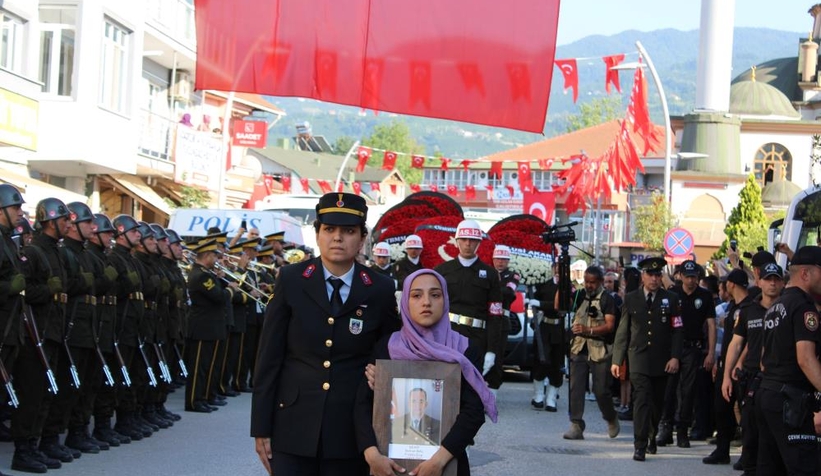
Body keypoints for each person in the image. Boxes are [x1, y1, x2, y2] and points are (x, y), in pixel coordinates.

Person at [251, 192, 400, 475]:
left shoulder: (380, 288)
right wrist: (261, 426)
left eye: (349, 231)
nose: (337, 238)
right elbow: (269, 357)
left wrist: (380, 372)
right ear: (317, 234)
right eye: (329, 229)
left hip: (351, 431)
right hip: (292, 424)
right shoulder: (292, 279)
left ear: (362, 238)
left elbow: (389, 351)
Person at [355, 269, 496, 476]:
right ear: (405, 302)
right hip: (388, 467)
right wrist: (372, 455)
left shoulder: (465, 349)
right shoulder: (387, 347)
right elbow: (362, 405)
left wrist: (439, 461)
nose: (426, 302)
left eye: (435, 295)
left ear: (445, 300)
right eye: (416, 295)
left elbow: (473, 411)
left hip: (447, 465)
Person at [709, 263, 783, 470]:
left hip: (778, 377)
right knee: (750, 427)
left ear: (782, 283)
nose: (772, 283)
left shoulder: (788, 309)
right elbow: (737, 344)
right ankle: (750, 468)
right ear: (758, 282)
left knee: (773, 431)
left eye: (776, 279)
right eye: (768, 279)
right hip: (751, 377)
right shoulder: (749, 311)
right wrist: (726, 376)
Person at [756, 246, 821, 475]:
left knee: (770, 469)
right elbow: (805, 358)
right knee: (806, 468)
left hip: (767, 394)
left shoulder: (775, 306)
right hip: (790, 402)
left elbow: (763, 360)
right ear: (805, 273)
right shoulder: (803, 307)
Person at [611, 256, 682, 462]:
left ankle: (652, 433)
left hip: (662, 359)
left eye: (657, 275)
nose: (654, 279)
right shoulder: (631, 298)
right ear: (643, 276)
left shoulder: (671, 299)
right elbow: (623, 330)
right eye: (650, 274)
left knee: (657, 403)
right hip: (638, 358)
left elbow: (677, 330)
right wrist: (617, 359)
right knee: (641, 400)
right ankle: (639, 445)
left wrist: (675, 357)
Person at [434, 220, 504, 394]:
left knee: (471, 391)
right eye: (464, 239)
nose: (467, 244)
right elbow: (433, 308)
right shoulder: (442, 270)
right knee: (445, 390)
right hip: (447, 335)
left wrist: (491, 351)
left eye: (472, 240)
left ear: (479, 243)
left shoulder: (490, 274)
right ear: (457, 241)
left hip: (477, 339)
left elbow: (495, 315)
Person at [657, 260, 716, 448]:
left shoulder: (705, 296)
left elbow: (711, 325)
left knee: (688, 391)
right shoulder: (673, 294)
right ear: (680, 276)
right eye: (688, 276)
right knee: (668, 389)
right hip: (673, 347)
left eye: (694, 277)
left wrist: (711, 353)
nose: (691, 280)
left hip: (693, 348)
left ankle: (683, 430)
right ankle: (666, 428)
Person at [564, 266, 619, 440]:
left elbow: (610, 326)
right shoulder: (580, 295)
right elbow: (560, 306)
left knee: (601, 390)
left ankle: (610, 417)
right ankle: (576, 424)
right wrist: (562, 284)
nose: (589, 285)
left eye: (592, 282)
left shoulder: (607, 299)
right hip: (579, 347)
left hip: (599, 348)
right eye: (586, 281)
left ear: (600, 282)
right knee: (576, 387)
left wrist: (589, 330)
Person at [185, 239, 239, 413]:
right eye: (215, 256)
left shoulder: (207, 274)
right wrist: (231, 289)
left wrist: (220, 279)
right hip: (203, 326)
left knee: (209, 365)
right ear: (207, 255)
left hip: (211, 326)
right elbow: (218, 297)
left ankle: (205, 397)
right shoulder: (200, 275)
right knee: (199, 367)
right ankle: (194, 401)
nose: (217, 259)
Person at [527, 262, 564, 411]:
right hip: (544, 326)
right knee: (541, 361)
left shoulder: (568, 287)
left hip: (559, 328)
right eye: (556, 268)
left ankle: (551, 399)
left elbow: (560, 305)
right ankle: (538, 395)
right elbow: (533, 298)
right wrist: (530, 299)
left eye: (561, 269)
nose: (558, 272)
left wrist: (540, 303)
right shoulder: (544, 284)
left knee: (556, 363)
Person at [488, 245, 518, 392]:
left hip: (501, 321)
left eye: (504, 259)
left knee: (497, 357)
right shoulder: (487, 272)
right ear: (493, 259)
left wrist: (489, 290)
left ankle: (493, 389)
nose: (500, 262)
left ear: (508, 261)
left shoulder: (513, 275)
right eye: (498, 259)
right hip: (486, 319)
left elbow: (509, 292)